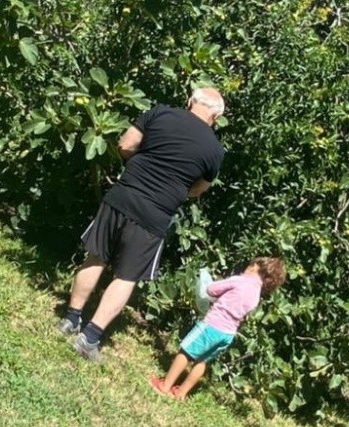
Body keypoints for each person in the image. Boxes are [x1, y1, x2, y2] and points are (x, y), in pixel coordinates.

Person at [57, 88, 226, 362]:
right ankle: (89, 338)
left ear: (190, 102)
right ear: (215, 118)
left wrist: (141, 166)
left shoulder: (160, 113)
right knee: (126, 277)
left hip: (124, 195)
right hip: (155, 213)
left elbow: (125, 144)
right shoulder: (215, 151)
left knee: (96, 256)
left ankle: (70, 319)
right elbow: (197, 190)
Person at [149, 257, 286, 400]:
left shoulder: (241, 280)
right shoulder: (256, 295)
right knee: (202, 361)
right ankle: (181, 393)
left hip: (213, 325)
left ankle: (165, 386)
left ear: (255, 266)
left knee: (186, 351)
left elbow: (211, 289)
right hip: (228, 334)